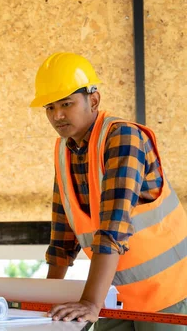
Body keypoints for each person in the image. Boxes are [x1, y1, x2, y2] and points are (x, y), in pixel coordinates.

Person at [30, 52, 187, 329]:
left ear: (94, 100)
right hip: (117, 297)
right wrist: (43, 303)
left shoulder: (123, 137)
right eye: (49, 107)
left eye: (66, 103)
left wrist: (91, 302)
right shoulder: (64, 150)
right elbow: (63, 239)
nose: (57, 115)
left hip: (169, 293)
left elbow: (113, 228)